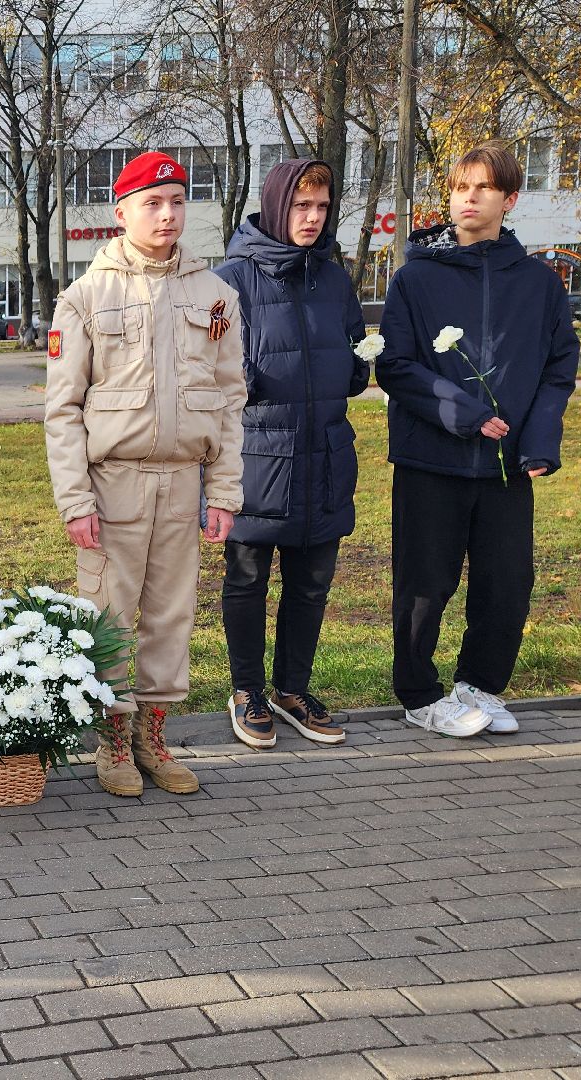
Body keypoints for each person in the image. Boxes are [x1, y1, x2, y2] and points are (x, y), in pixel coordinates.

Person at [44, 152, 245, 798]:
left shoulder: (216, 297)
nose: (167, 215)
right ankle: (112, 742)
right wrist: (75, 500)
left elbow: (231, 399)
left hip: (184, 481)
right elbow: (62, 410)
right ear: (121, 212)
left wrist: (225, 491)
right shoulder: (86, 297)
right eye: (153, 204)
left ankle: (153, 737)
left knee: (170, 616)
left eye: (177, 202)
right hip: (114, 485)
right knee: (112, 617)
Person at [375, 141, 580, 738]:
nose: (469, 197)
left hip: (508, 465)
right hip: (431, 458)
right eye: (461, 187)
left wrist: (538, 443)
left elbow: (558, 367)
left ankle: (480, 687)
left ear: (509, 200)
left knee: (506, 584)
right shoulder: (415, 277)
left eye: (483, 188)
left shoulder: (539, 283)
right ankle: (420, 694)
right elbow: (396, 364)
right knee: (425, 583)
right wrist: (461, 413)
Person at [213, 159, 368, 750]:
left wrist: (357, 365)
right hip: (258, 457)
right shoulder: (231, 278)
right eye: (302, 207)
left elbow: (352, 357)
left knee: (312, 582)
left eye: (323, 208)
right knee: (247, 579)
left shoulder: (333, 278)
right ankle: (247, 689)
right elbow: (213, 371)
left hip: (324, 455)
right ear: (278, 207)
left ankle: (292, 688)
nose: (312, 218)